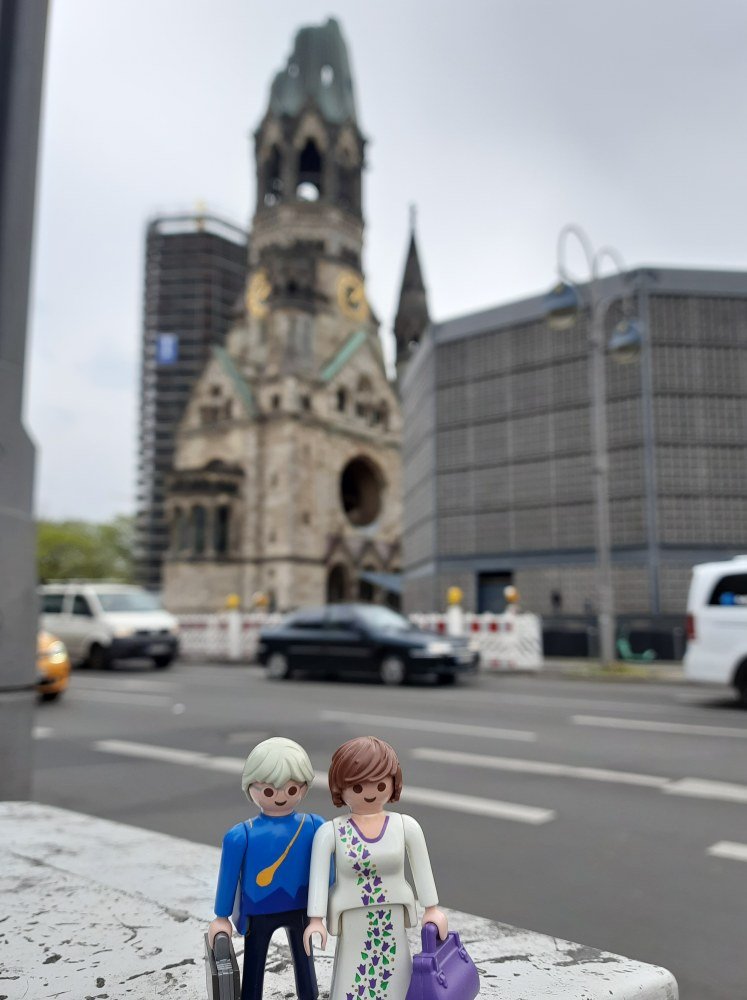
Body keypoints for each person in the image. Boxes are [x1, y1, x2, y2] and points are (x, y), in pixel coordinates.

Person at [303, 736, 447, 1000]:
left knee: (397, 970)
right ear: (340, 787)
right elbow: (319, 878)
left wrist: (432, 909)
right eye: (357, 786)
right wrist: (315, 920)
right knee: (352, 972)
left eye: (380, 784)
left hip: (392, 914)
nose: (369, 793)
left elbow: (422, 869)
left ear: (394, 783)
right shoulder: (331, 832)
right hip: (352, 916)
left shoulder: (405, 826)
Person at [209, 736, 325, 1000]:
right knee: (255, 961)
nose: (281, 797)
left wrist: (323, 905)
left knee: (305, 960)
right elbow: (228, 878)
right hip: (259, 911)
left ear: (303, 787)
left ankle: (309, 994)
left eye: (291, 790)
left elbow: (326, 869)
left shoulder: (314, 826)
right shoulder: (240, 835)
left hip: (300, 906)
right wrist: (221, 917)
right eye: (269, 791)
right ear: (251, 787)